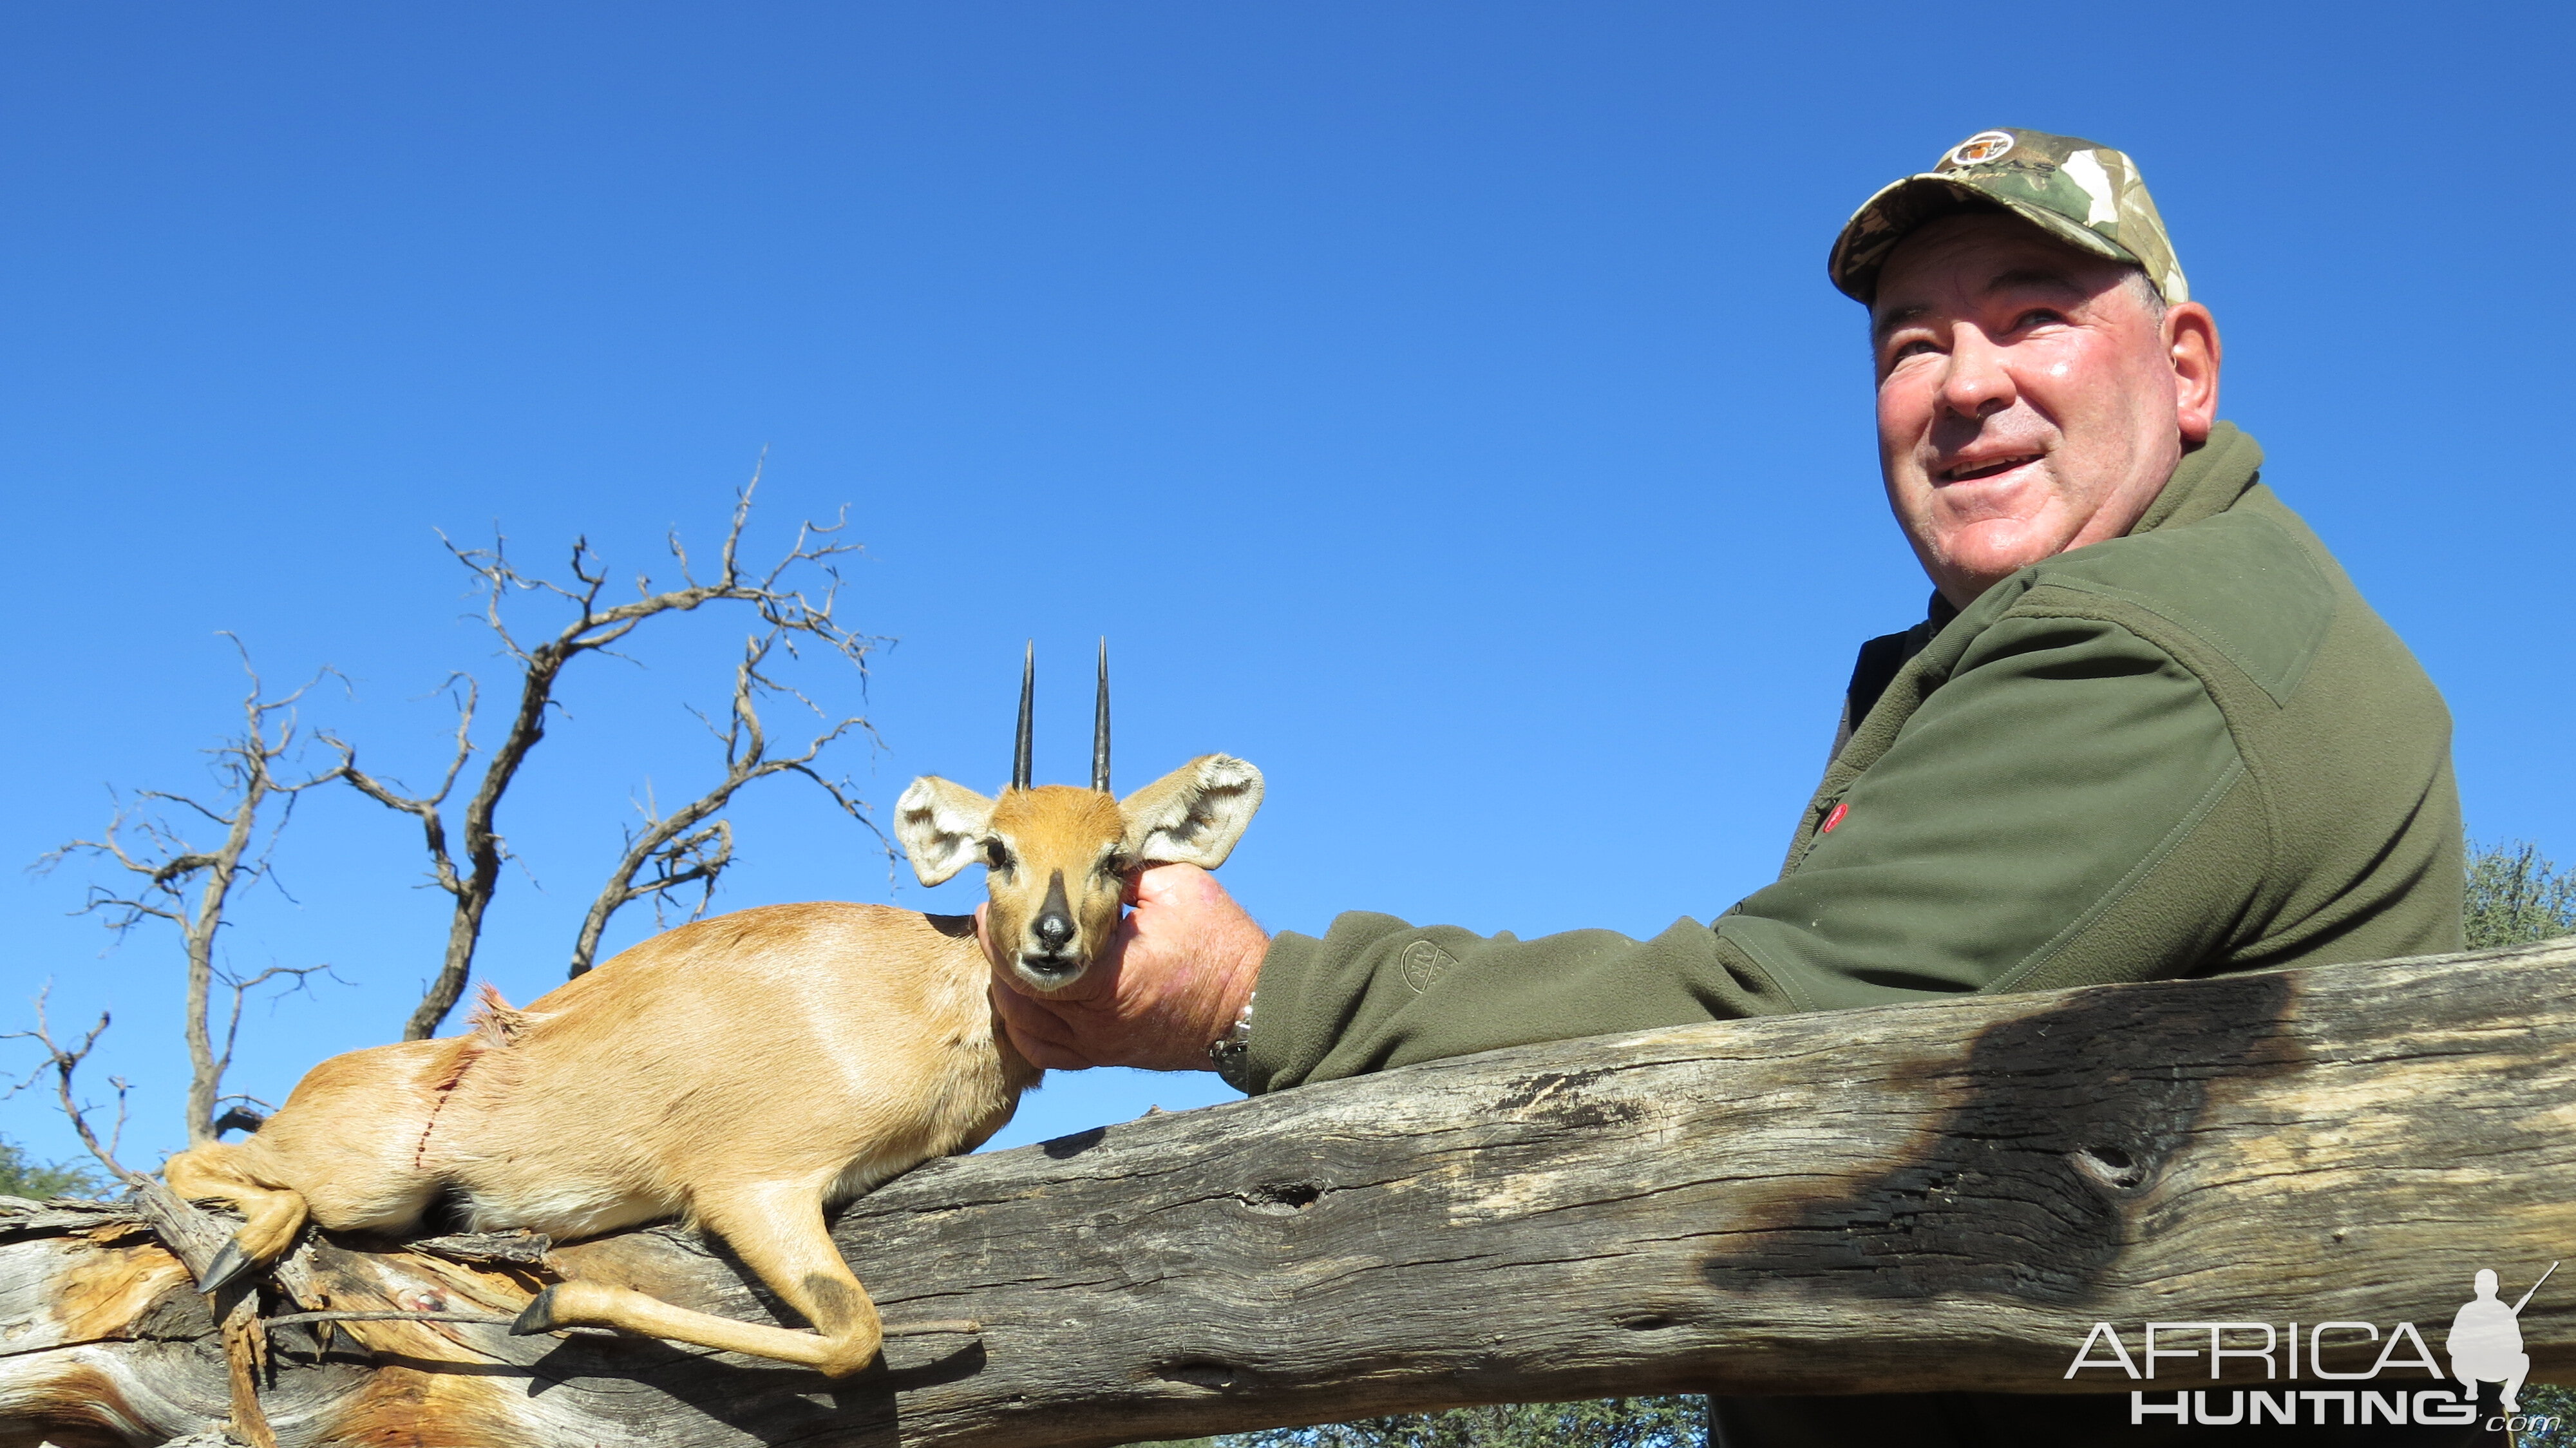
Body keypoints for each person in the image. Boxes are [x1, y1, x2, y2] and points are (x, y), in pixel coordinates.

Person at [981, 129, 2471, 1444]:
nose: (1964, 386)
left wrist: (1258, 994)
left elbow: (1758, 1037)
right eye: (1908, 343)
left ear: (2186, 367)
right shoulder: (2126, 617)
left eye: (2034, 319)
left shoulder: (2153, 648)